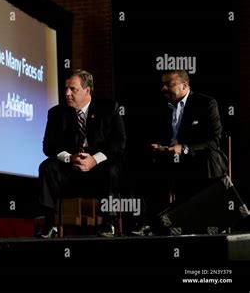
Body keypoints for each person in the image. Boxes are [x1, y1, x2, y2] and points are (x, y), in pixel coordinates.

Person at [134, 69, 228, 235]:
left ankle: (208, 222)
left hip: (195, 157)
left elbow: (214, 140)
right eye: (162, 84)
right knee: (142, 163)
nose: (163, 89)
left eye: (169, 84)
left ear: (185, 85)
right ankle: (151, 223)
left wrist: (184, 148)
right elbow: (150, 134)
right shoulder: (159, 105)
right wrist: (157, 146)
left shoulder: (206, 103)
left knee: (208, 159)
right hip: (167, 157)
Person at [37, 69, 126, 238]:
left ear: (87, 90)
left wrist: (94, 159)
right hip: (70, 170)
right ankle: (50, 224)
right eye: (66, 89)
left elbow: (118, 144)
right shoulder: (56, 113)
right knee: (47, 167)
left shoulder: (109, 108)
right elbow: (48, 147)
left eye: (73, 89)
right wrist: (69, 158)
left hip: (99, 168)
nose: (67, 93)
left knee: (113, 169)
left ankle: (108, 223)